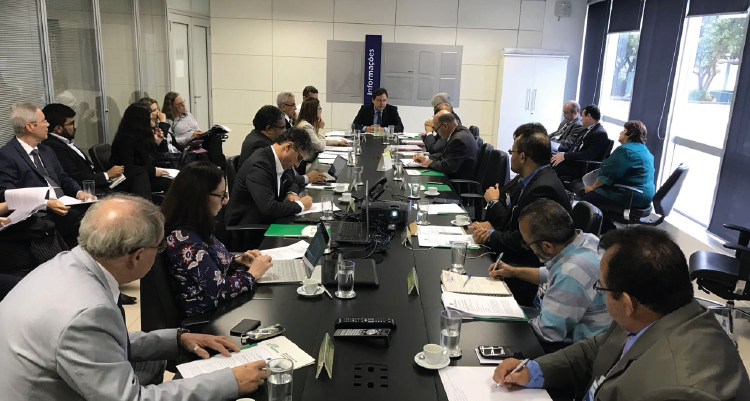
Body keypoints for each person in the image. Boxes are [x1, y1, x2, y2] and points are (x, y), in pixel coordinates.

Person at [0, 194, 269, 400]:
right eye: (159, 247)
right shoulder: (86, 311)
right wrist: (231, 381)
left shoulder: (65, 264)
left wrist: (177, 339)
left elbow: (102, 342)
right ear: (137, 256)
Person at [493, 226, 750, 400]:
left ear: (627, 301)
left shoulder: (681, 389)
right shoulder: (650, 311)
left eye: (601, 286)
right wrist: (534, 370)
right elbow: (594, 350)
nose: (599, 293)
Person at [470, 128, 571, 306]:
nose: (511, 155)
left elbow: (523, 241)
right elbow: (510, 217)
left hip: (524, 265)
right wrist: (490, 226)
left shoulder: (543, 188)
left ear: (523, 156)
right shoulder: (527, 179)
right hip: (511, 256)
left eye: (512, 151)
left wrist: (491, 234)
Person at [489, 199, 611, 345]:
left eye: (527, 244)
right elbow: (553, 274)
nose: (528, 247)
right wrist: (514, 271)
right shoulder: (587, 241)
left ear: (547, 246)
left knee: (495, 325)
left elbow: (547, 333)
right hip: (570, 327)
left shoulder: (571, 272)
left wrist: (502, 326)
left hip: (571, 348)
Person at [162, 162, 273, 318]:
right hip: (210, 315)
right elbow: (219, 290)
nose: (225, 201)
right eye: (221, 195)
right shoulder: (184, 241)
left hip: (222, 306)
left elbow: (210, 266)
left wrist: (237, 260)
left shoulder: (195, 226)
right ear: (200, 197)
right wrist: (253, 274)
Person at [0, 102, 91, 245]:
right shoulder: (7, 155)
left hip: (65, 204)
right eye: (44, 121)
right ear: (30, 127)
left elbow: (63, 177)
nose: (48, 125)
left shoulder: (46, 150)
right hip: (42, 214)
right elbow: (8, 195)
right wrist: (45, 203)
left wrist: (79, 192)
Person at [225, 128, 313, 248]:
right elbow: (269, 209)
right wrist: (301, 205)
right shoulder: (259, 165)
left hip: (269, 223)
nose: (297, 164)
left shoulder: (278, 160)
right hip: (249, 232)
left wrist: (291, 193)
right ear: (288, 147)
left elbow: (292, 180)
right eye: (299, 158)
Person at [583, 120, 655, 232]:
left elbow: (608, 174)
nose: (620, 132)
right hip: (643, 196)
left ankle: (597, 232)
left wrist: (591, 188)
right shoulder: (644, 150)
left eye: (624, 130)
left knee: (588, 199)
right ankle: (609, 229)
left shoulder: (625, 150)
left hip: (631, 196)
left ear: (630, 134)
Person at [41, 103, 125, 191]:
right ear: (58, 128)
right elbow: (76, 179)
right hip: (90, 192)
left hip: (99, 184)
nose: (75, 126)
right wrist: (107, 175)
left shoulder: (65, 142)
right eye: (71, 124)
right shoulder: (54, 147)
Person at [239, 105, 325, 185]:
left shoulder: (258, 137)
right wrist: (306, 178)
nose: (284, 132)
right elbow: (281, 178)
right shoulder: (261, 146)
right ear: (269, 129)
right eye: (282, 128)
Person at [110, 103, 173, 194]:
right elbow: (129, 168)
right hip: (128, 180)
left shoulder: (141, 136)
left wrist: (158, 143)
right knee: (170, 184)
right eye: (149, 118)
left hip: (144, 176)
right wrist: (154, 171)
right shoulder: (125, 139)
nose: (151, 121)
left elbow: (153, 160)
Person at [162, 92, 226, 169]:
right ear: (171, 107)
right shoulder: (168, 121)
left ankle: (219, 166)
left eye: (183, 102)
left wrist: (201, 134)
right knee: (204, 153)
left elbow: (196, 128)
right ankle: (216, 168)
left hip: (198, 140)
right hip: (186, 144)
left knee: (215, 137)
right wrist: (190, 137)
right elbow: (172, 141)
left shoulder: (188, 115)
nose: (183, 105)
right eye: (179, 104)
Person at [412, 110, 477, 180]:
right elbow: (444, 154)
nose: (437, 133)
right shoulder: (459, 131)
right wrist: (426, 158)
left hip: (456, 183)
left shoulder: (459, 140)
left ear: (445, 126)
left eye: (436, 130)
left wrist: (429, 162)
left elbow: (447, 167)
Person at [551, 104, 609, 180]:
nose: (581, 119)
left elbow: (588, 155)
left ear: (588, 116)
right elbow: (575, 146)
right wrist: (562, 154)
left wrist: (565, 156)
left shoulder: (600, 134)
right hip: (573, 161)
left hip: (581, 167)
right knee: (548, 159)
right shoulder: (587, 130)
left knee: (550, 166)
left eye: (582, 116)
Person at [296, 97, 347, 162]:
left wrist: (337, 142)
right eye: (319, 108)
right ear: (312, 110)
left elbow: (318, 141)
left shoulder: (307, 123)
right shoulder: (305, 126)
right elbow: (321, 147)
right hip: (305, 163)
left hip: (310, 159)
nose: (320, 110)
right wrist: (320, 128)